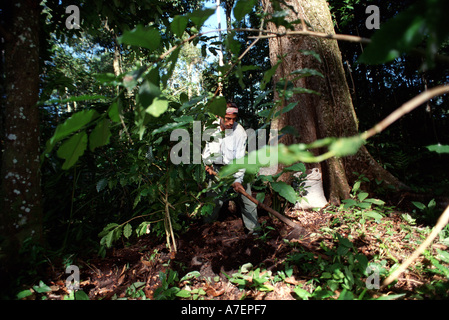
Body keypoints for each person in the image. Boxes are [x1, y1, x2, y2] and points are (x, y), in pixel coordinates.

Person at [202, 101, 260, 234]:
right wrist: (208, 163)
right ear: (219, 116)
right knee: (213, 201)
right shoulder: (210, 127)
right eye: (227, 119)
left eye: (233, 120)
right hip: (217, 168)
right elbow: (207, 148)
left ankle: (255, 233)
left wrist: (238, 180)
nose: (230, 123)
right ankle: (206, 231)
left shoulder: (239, 132)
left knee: (248, 202)